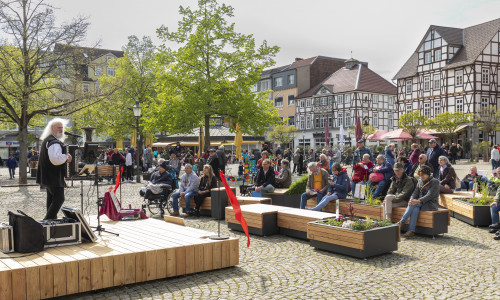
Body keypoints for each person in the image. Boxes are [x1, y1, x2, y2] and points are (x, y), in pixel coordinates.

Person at [36, 118, 73, 220]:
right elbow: (55, 159)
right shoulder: (54, 142)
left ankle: (51, 223)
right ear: (52, 128)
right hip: (54, 176)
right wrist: (67, 157)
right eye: (59, 127)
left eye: (62, 127)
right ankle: (47, 221)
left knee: (51, 199)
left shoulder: (47, 140)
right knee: (59, 199)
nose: (61, 129)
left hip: (48, 176)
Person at [397, 164, 439, 237]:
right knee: (415, 208)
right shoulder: (420, 180)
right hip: (418, 203)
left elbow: (430, 195)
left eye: (423, 175)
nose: (421, 176)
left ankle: (402, 222)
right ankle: (411, 231)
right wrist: (412, 198)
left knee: (413, 205)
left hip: (430, 203)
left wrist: (417, 201)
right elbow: (415, 192)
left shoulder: (435, 182)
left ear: (428, 174)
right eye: (420, 175)